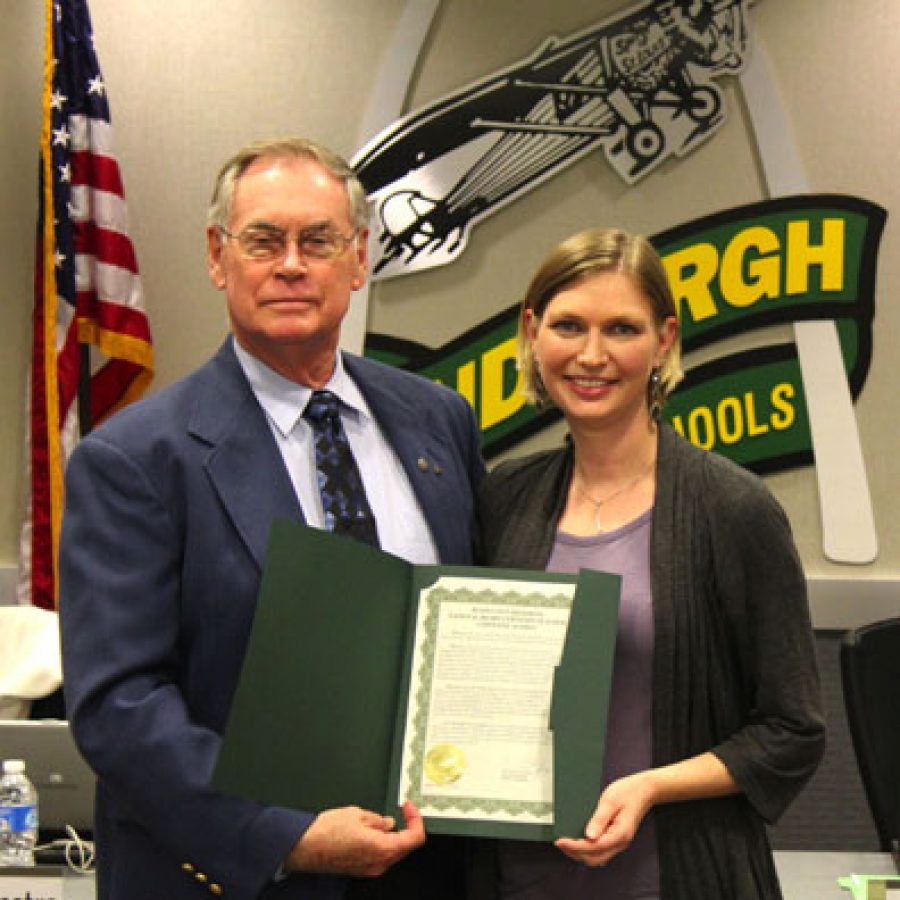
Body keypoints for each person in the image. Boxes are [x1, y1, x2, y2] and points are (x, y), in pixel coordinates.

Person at [58, 137, 485, 900]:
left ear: (358, 260)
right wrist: (282, 834)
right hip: (239, 876)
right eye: (263, 240)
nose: (291, 264)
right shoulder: (133, 460)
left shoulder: (439, 421)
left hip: (431, 868)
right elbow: (119, 708)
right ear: (219, 257)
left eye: (318, 241)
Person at [475, 227, 825, 899]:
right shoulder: (503, 498)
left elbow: (792, 730)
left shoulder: (732, 509)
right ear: (532, 331)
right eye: (569, 325)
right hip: (518, 879)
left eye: (623, 329)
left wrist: (650, 787)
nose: (592, 355)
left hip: (676, 879)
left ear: (664, 341)